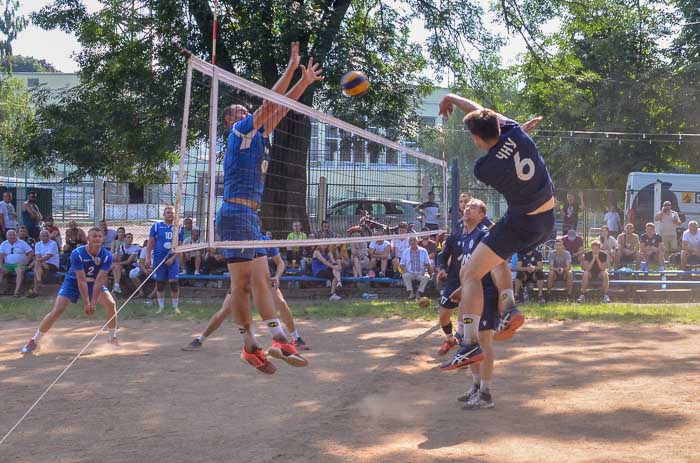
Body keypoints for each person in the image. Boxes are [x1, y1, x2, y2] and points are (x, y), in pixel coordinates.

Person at [215, 42, 320, 373]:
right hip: (235, 214)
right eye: (238, 110)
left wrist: (305, 82)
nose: (245, 112)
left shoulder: (257, 136)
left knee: (250, 285)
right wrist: (291, 68)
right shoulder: (240, 131)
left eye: (245, 111)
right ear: (230, 120)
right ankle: (267, 342)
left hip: (245, 216)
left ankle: (262, 344)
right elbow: (269, 101)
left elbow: (282, 108)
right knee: (250, 284)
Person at [437, 92, 552, 366]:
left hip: (521, 221)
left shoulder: (483, 168)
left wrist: (449, 97)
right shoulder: (515, 131)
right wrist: (452, 97)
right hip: (546, 219)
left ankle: (469, 344)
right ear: (499, 125)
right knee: (495, 255)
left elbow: (491, 138)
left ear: (477, 139)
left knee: (468, 274)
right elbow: (481, 112)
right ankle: (509, 308)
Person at [183, 233, 308, 352]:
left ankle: (296, 338)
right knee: (225, 310)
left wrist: (277, 276)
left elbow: (280, 262)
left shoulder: (265, 241)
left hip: (262, 280)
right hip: (242, 281)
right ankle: (200, 339)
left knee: (281, 302)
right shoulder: (236, 241)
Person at [438, 199, 501, 411]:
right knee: (469, 341)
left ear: (482, 214)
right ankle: (475, 387)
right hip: (470, 295)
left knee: (483, 341)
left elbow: (495, 266)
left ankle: (486, 393)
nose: (467, 208)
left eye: (473, 206)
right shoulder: (463, 237)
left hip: (486, 294)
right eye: (466, 206)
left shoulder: (484, 235)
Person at [21, 228, 119, 354]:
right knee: (58, 310)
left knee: (111, 304)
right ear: (88, 239)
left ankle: (113, 338)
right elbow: (81, 279)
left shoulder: (107, 256)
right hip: (73, 282)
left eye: (100, 236)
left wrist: (93, 303)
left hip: (94, 283)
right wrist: (86, 302)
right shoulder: (77, 253)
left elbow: (100, 280)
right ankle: (34, 340)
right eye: (94, 236)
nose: (97, 238)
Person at [145, 206, 183, 314]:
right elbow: (150, 243)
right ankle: (161, 307)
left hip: (172, 259)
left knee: (173, 283)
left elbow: (180, 246)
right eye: (168, 212)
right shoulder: (156, 226)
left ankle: (175, 307)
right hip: (158, 259)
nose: (170, 214)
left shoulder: (178, 228)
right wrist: (148, 257)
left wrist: (173, 258)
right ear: (164, 214)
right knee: (160, 283)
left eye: (172, 213)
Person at [0, 229, 34, 297]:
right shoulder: (4, 244)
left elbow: (31, 253)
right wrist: (1, 266)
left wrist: (26, 261)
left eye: (13, 235)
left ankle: (17, 291)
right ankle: (2, 290)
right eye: (10, 235)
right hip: (8, 265)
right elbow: (1, 256)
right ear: (6, 236)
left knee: (19, 271)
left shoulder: (22, 243)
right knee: (0, 271)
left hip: (20, 264)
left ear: (16, 235)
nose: (12, 236)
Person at [31, 229, 60, 297]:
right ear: (40, 237)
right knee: (37, 267)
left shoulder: (53, 243)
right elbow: (38, 256)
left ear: (49, 236)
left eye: (47, 236)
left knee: (36, 266)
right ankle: (38, 283)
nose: (45, 237)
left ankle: (36, 287)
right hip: (41, 264)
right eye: (43, 236)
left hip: (52, 264)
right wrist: (38, 261)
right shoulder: (38, 244)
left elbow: (48, 256)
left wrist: (36, 261)